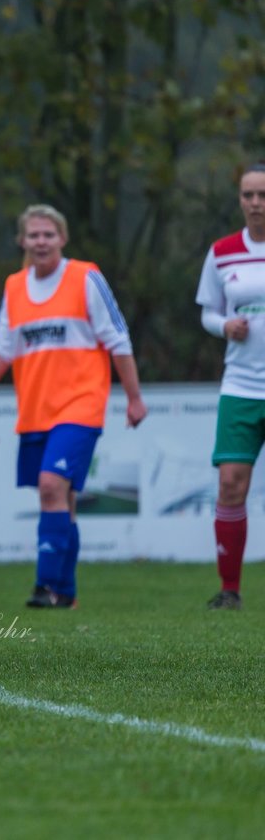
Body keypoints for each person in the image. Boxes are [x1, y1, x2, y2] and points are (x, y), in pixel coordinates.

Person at [0, 204, 147, 609]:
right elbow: (0, 349)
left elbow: (118, 339)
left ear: (62, 238)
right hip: (36, 412)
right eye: (33, 235)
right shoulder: (14, 286)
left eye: (48, 234)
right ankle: (68, 595)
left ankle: (46, 587)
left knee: (50, 487)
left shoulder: (85, 277)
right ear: (22, 241)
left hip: (81, 406)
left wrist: (133, 397)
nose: (41, 242)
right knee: (62, 499)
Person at [196, 163, 265, 611]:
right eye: (248, 195)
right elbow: (207, 312)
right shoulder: (222, 252)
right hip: (241, 387)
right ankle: (230, 589)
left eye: (263, 194)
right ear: (239, 199)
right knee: (230, 487)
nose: (256, 203)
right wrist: (225, 325)